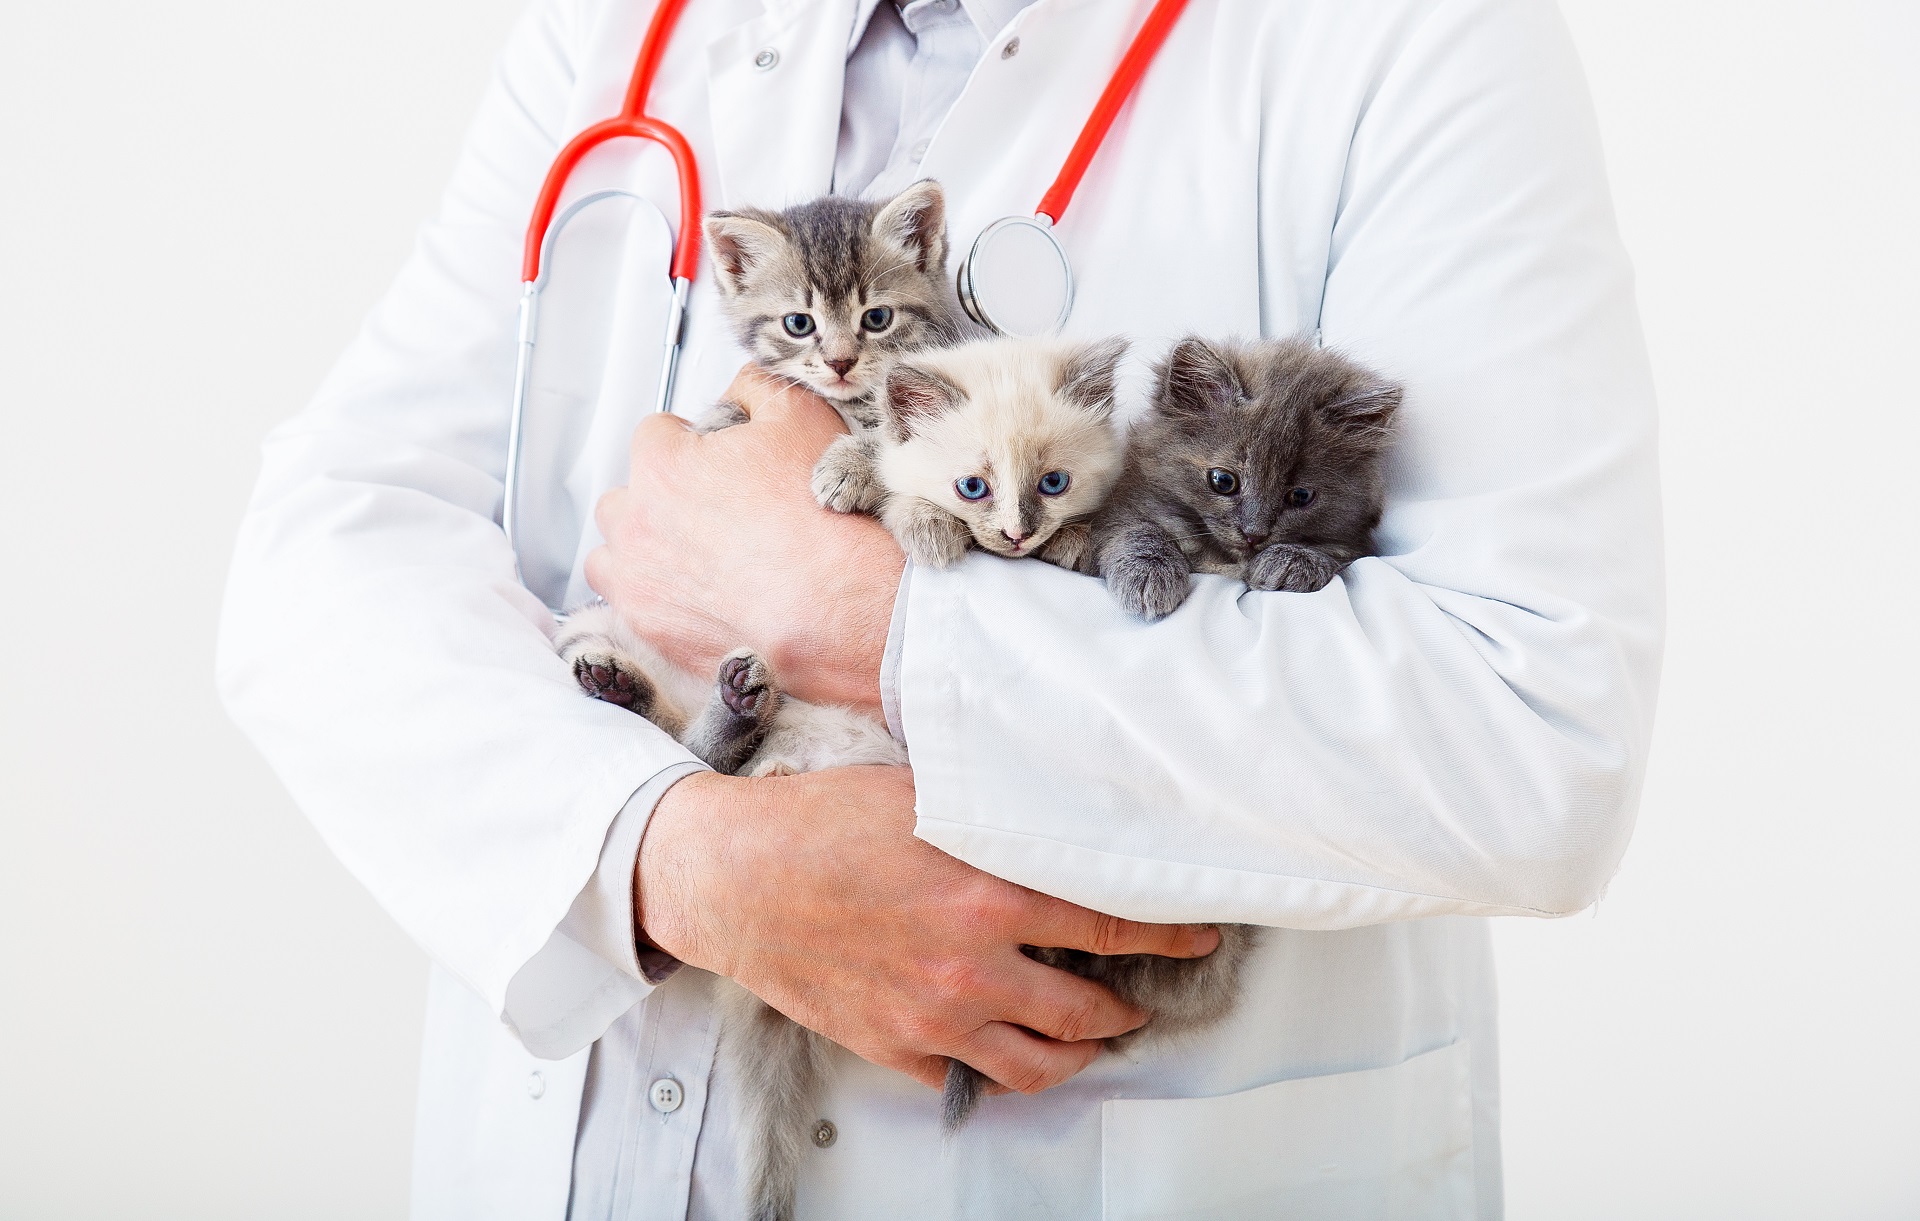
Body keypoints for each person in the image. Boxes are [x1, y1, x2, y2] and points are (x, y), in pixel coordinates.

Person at [217, 0, 1664, 1215]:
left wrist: (865, 611)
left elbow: (1534, 737)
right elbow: (335, 542)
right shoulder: (622, 26)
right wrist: (673, 858)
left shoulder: (1409, 37)